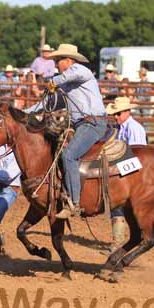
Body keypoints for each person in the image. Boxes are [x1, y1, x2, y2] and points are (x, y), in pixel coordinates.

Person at [105, 97, 154, 251]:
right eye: (115, 114)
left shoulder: (134, 129)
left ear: (128, 112)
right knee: (122, 205)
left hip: (134, 171)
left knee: (124, 205)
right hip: (125, 168)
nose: (116, 116)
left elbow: (139, 155)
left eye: (119, 113)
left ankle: (118, 242)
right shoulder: (120, 128)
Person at [43, 44, 108, 219]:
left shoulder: (80, 70)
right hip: (84, 124)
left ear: (68, 60)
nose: (55, 65)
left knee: (69, 155)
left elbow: (72, 74)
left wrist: (54, 82)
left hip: (93, 123)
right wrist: (24, 114)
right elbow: (50, 104)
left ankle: (74, 202)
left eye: (58, 61)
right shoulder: (67, 85)